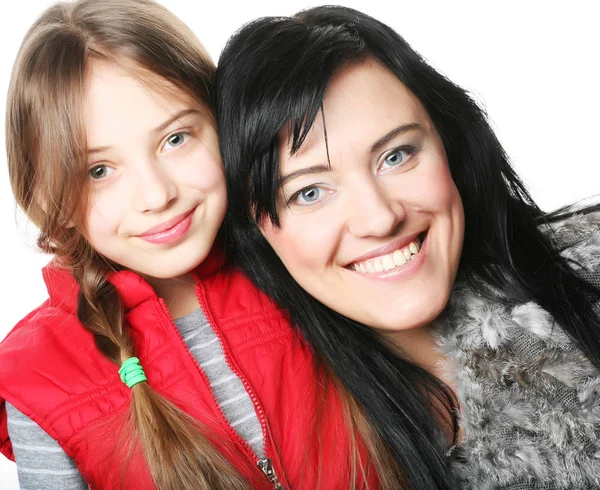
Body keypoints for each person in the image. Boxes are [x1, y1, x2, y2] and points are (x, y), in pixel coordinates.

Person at [0, 1, 387, 489]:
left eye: (176, 139)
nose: (157, 194)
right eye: (99, 171)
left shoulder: (307, 257)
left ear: (221, 119)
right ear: (47, 192)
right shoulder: (39, 374)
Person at [216, 5, 600, 489]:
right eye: (309, 192)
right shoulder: (281, 436)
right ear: (257, 230)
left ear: (449, 144)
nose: (380, 217)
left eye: (396, 156)